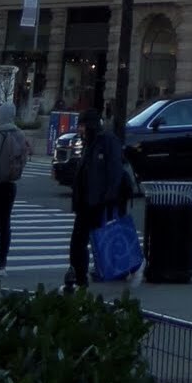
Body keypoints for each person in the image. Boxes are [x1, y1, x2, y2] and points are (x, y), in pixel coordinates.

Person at [65, 107, 125, 290]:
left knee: (85, 241)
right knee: (81, 242)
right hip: (87, 202)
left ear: (89, 125)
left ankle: (82, 277)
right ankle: (80, 277)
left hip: (96, 202)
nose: (79, 130)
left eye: (82, 125)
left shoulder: (106, 141)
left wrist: (108, 197)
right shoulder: (90, 143)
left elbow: (114, 172)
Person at [0, 101, 30, 276]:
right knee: (5, 224)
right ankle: (3, 265)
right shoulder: (20, 134)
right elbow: (23, 159)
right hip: (10, 185)